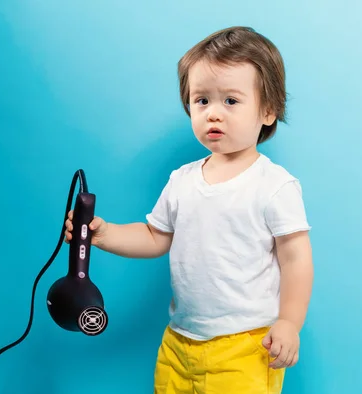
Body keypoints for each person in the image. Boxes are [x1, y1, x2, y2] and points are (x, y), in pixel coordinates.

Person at [65, 26, 313, 394]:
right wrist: (106, 235)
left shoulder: (274, 186)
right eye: (202, 101)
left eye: (231, 101)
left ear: (268, 110)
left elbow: (296, 259)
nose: (213, 114)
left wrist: (290, 323)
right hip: (180, 341)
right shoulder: (182, 180)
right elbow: (154, 236)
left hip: (245, 346)